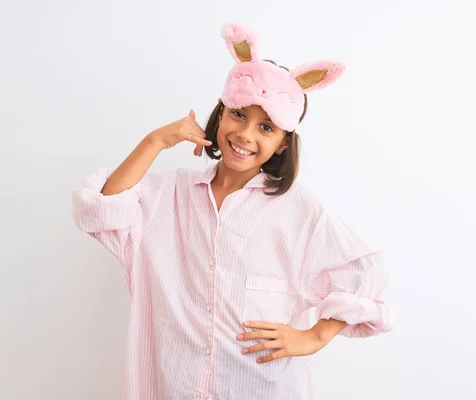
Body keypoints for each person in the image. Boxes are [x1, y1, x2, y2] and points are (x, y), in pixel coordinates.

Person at [72, 23, 393, 400]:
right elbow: (101, 209)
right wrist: (156, 140)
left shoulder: (299, 210)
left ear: (281, 145)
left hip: (262, 387)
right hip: (175, 385)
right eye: (239, 115)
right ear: (221, 113)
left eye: (266, 127)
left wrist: (314, 337)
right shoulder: (168, 194)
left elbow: (365, 273)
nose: (246, 135)